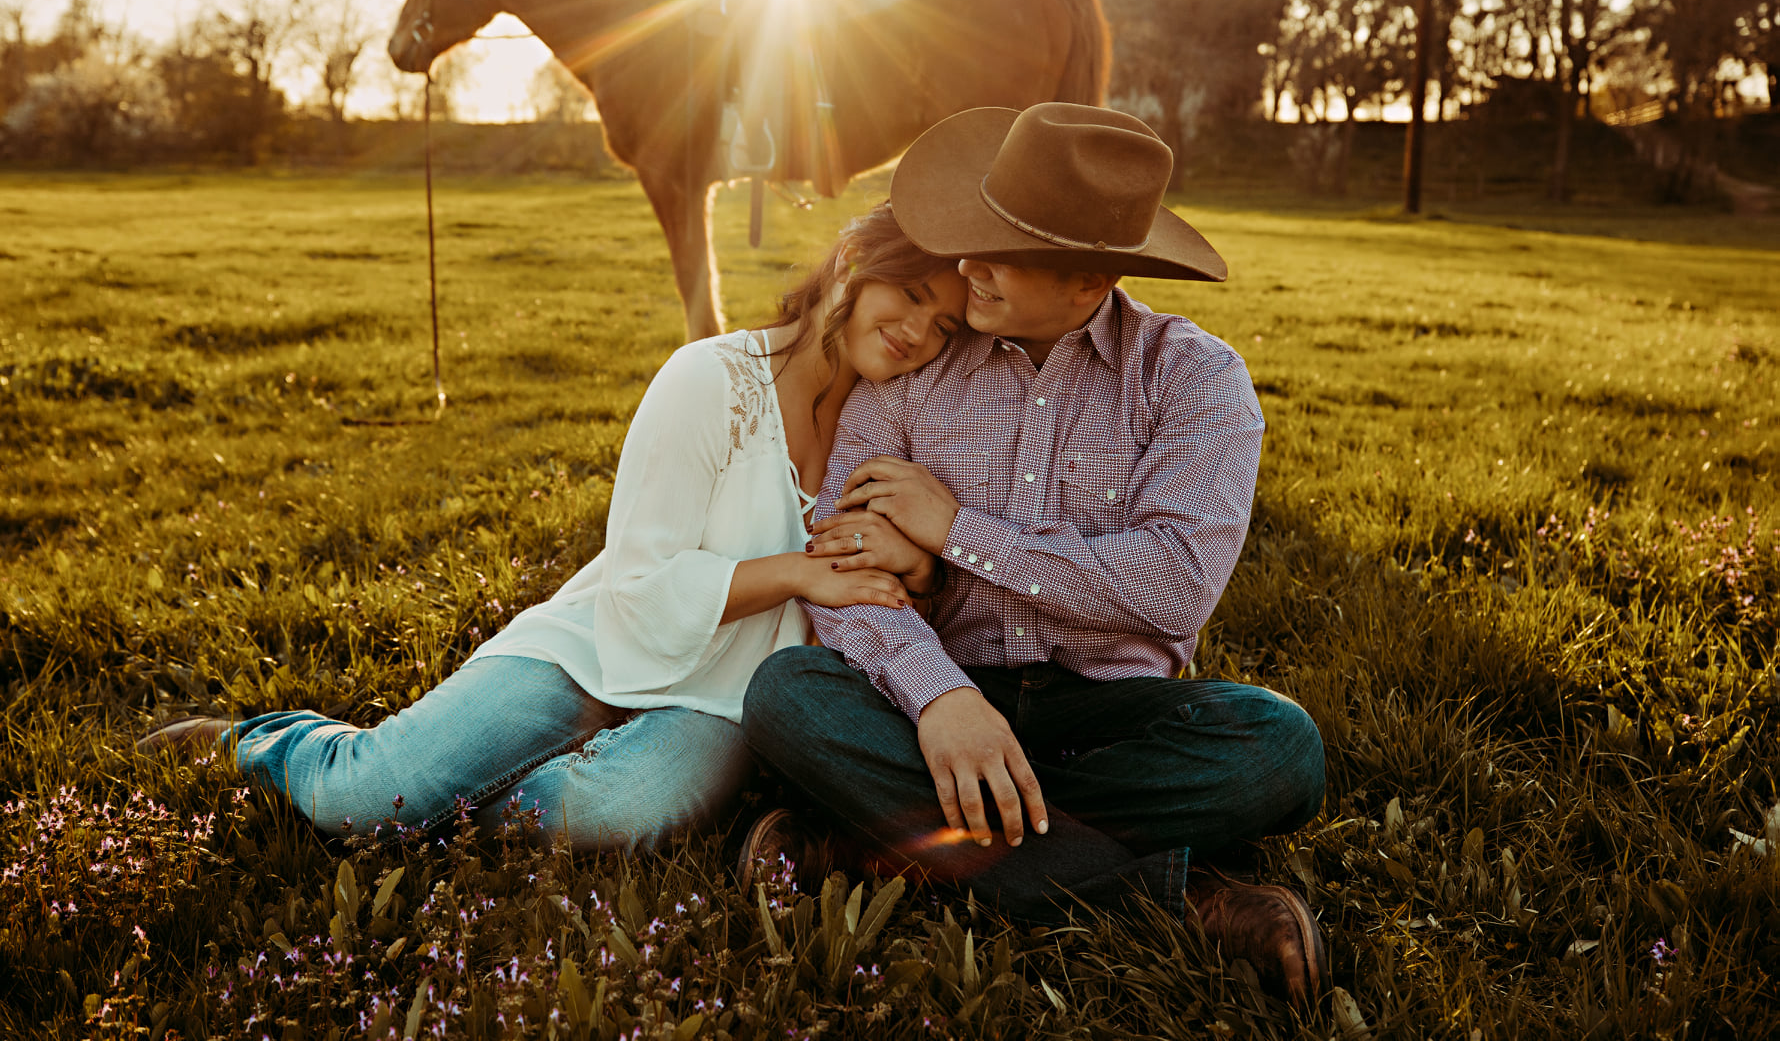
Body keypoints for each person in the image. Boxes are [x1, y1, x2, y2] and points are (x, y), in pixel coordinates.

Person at [137, 205, 967, 854]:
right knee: (368, 799)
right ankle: (268, 746)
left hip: (722, 697)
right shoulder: (711, 378)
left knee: (625, 810)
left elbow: (888, 577)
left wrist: (921, 570)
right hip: (600, 643)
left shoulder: (886, 425)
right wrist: (795, 572)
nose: (918, 334)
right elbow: (640, 588)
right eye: (915, 296)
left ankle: (449, 802)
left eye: (944, 330)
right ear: (855, 266)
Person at [737, 103, 1329, 1007]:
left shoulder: (1195, 378)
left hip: (1113, 713)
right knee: (789, 697)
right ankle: (1180, 900)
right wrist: (941, 697)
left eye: (998, 248)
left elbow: (1172, 586)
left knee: (1279, 749)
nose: (965, 262)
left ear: (1089, 280)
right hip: (940, 689)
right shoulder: (919, 367)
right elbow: (844, 571)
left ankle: (873, 845)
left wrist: (956, 530)